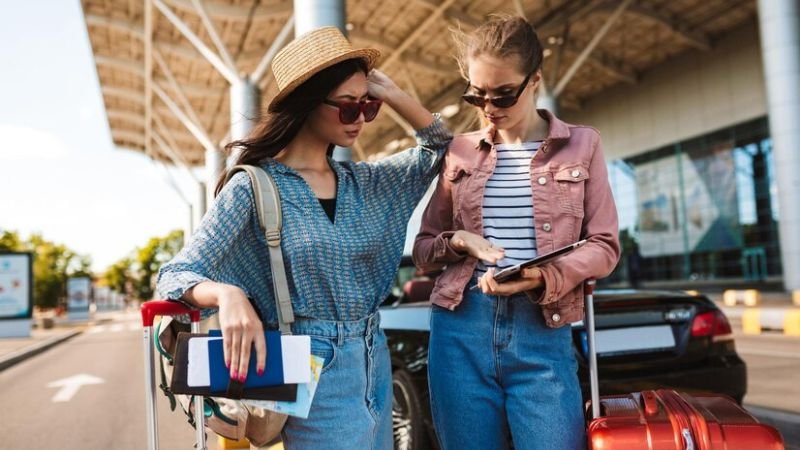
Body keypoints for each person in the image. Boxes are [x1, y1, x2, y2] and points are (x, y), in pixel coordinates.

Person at [156, 26, 451, 450]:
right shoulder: (255, 187)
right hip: (308, 364)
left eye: (368, 107)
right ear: (308, 104)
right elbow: (175, 273)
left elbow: (441, 147)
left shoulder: (369, 182)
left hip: (374, 353)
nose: (361, 120)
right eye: (348, 108)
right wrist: (227, 295)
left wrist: (394, 93)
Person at [413, 16, 620, 450]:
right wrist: (457, 242)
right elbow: (424, 249)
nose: (489, 106)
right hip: (460, 327)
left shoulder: (583, 145)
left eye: (503, 93)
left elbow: (604, 246)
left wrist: (545, 276)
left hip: (543, 328)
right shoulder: (460, 152)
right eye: (476, 94)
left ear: (535, 81)